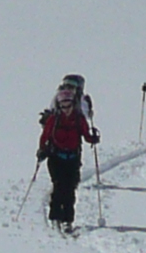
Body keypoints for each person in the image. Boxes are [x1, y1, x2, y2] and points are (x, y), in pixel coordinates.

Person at [36, 76, 99, 227]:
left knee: (70, 190)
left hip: (73, 157)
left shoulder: (78, 119)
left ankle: (67, 220)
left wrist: (93, 138)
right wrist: (42, 150)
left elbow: (85, 135)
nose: (66, 109)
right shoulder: (53, 119)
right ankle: (55, 216)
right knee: (59, 187)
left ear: (73, 104)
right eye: (63, 106)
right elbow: (44, 136)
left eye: (68, 105)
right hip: (56, 157)